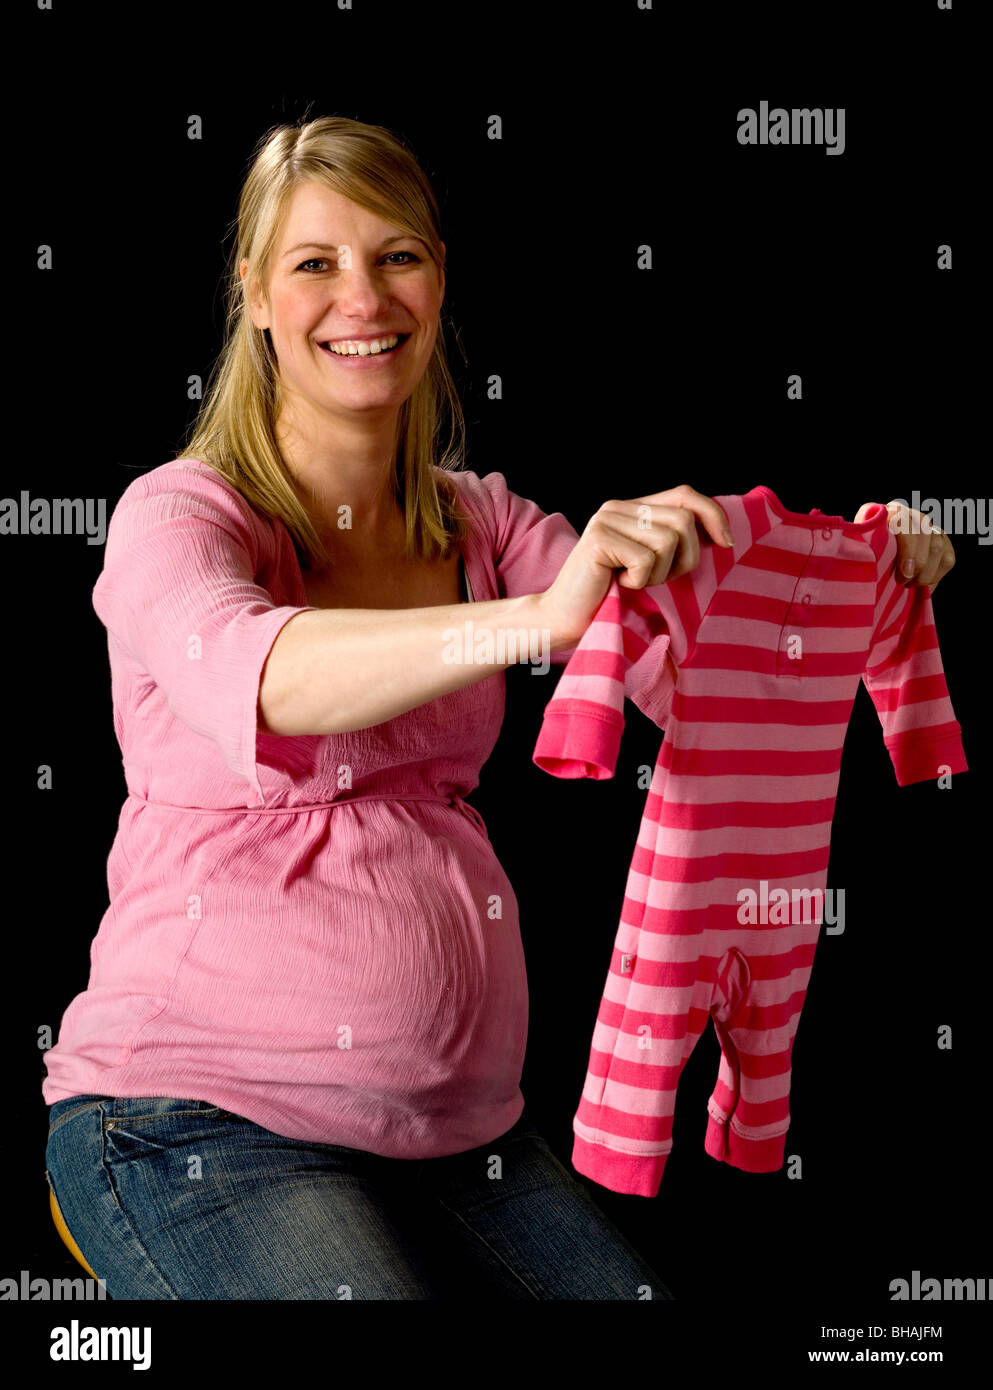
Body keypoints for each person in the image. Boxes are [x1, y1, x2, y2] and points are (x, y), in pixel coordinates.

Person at [42, 116, 956, 1301]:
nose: (361, 296)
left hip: (460, 1141)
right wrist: (534, 622)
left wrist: (851, 583)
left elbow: (698, 686)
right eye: (315, 262)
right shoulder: (178, 515)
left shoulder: (484, 523)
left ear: (436, 279)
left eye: (397, 256)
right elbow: (264, 672)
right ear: (256, 295)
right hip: (195, 1120)